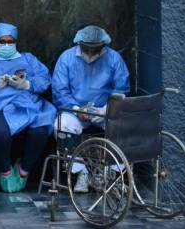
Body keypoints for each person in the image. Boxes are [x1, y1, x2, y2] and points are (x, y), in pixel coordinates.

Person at [0, 22, 56, 193]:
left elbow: (44, 79)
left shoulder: (29, 59)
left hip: (29, 104)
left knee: (40, 131)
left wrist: (27, 84)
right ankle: (5, 170)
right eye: (2, 42)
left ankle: (24, 170)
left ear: (15, 42)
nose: (6, 45)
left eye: (10, 41)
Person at [52, 25, 130, 193]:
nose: (90, 54)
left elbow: (121, 90)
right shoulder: (66, 59)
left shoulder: (114, 59)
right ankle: (81, 173)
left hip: (104, 112)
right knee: (62, 126)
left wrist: (106, 110)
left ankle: (109, 173)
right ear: (80, 44)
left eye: (95, 50)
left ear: (103, 46)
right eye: (87, 49)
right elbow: (60, 91)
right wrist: (76, 108)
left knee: (125, 128)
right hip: (74, 111)